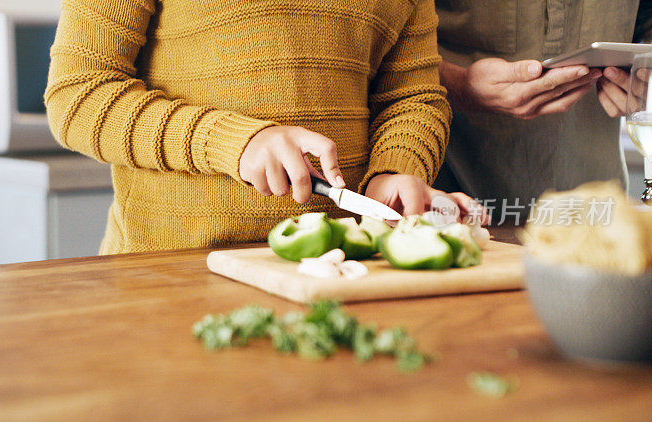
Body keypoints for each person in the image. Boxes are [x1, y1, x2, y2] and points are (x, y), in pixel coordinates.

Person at [45, 0, 476, 254]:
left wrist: (393, 171)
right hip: (168, 274)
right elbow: (79, 94)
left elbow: (413, 97)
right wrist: (234, 141)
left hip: (347, 271)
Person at [434, 0, 652, 221]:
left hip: (598, 212)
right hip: (454, 210)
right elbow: (401, 39)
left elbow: (646, 20)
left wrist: (646, 76)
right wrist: (457, 86)